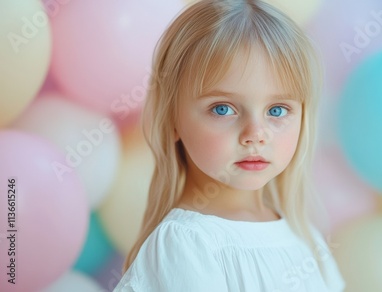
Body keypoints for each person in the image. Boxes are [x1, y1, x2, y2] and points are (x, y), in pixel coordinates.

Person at [114, 0, 345, 291]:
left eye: (276, 111)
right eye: (223, 109)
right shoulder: (187, 244)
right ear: (173, 118)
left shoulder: (305, 238)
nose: (255, 134)